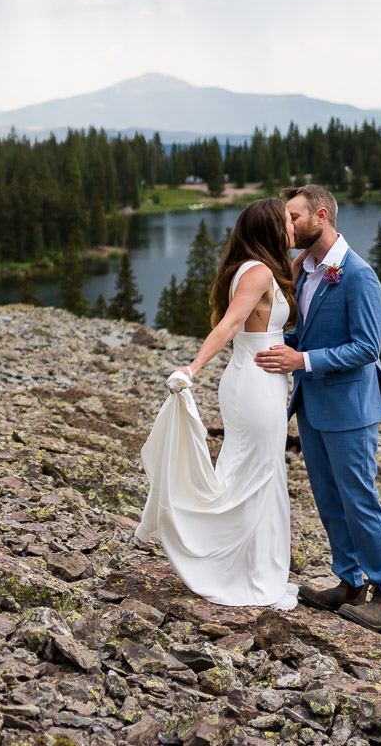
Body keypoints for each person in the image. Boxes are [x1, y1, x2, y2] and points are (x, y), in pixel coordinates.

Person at [255, 184, 381, 635]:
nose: (288, 224)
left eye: (294, 216)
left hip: (351, 410)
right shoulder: (305, 270)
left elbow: (367, 348)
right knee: (328, 499)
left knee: (360, 501)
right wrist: (258, 346)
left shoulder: (358, 275)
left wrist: (301, 361)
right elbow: (303, 334)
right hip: (313, 406)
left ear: (321, 216)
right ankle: (349, 582)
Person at [134, 198, 300, 609]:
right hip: (255, 382)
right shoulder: (258, 272)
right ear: (269, 230)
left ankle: (255, 567)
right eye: (286, 222)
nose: (292, 228)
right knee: (255, 473)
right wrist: (192, 368)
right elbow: (229, 324)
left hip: (264, 380)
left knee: (260, 471)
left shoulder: (261, 267)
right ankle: (234, 567)